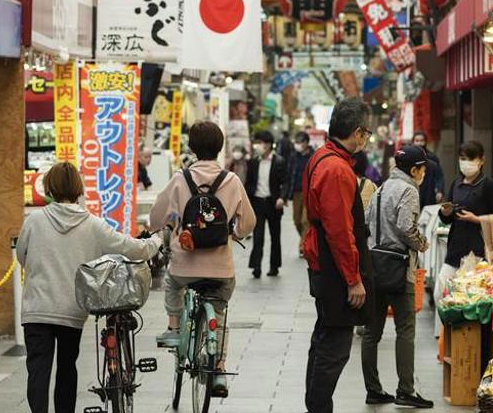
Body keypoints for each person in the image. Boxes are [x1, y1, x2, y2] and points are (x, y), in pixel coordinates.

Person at [16, 162, 160, 413]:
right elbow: (130, 247)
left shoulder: (34, 220)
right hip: (72, 310)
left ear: (49, 187)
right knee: (67, 367)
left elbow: (21, 256)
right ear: (78, 189)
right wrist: (156, 241)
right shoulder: (92, 224)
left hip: (37, 309)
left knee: (37, 370)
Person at [149, 121, 256, 397]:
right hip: (220, 269)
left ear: (192, 148)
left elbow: (156, 218)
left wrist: (163, 227)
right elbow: (249, 223)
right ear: (220, 147)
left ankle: (174, 328)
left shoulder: (179, 179)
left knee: (172, 283)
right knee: (218, 313)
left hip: (184, 266)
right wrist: (234, 232)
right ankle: (218, 368)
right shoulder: (231, 181)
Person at [301, 98, 372, 413]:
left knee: (324, 337)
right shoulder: (336, 168)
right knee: (334, 345)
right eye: (366, 132)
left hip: (323, 258)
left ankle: (316, 405)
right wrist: (353, 278)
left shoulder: (322, 157)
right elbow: (340, 231)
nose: (366, 138)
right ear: (357, 133)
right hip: (332, 265)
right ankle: (318, 407)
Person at [361, 146, 433, 408]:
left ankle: (373, 389)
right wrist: (422, 243)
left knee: (372, 332)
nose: (424, 173)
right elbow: (406, 227)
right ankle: (406, 390)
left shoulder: (380, 189)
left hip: (374, 265)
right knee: (405, 330)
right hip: (399, 269)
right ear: (414, 170)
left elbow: (367, 222)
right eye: (423, 169)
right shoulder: (409, 190)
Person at [435, 141, 493, 332]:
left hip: (477, 251)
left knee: (472, 297)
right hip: (455, 246)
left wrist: (477, 219)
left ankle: (470, 336)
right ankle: (448, 335)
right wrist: (446, 212)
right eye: (462, 159)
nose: (465, 163)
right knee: (441, 292)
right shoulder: (456, 183)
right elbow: (446, 219)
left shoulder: (488, 185)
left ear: (481, 160)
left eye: (470, 159)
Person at [245, 131, 289, 278]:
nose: (259, 146)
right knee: (258, 236)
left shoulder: (279, 161)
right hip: (257, 203)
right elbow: (249, 182)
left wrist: (282, 198)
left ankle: (274, 266)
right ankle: (256, 267)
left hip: (273, 203)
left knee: (275, 236)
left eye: (262, 143)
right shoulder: (253, 162)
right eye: (258, 143)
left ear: (269, 145)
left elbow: (285, 183)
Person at [287, 131, 314, 240]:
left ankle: (303, 246)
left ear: (306, 143)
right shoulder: (293, 156)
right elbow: (289, 174)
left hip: (309, 193)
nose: (297, 145)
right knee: (297, 220)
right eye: (296, 142)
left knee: (305, 221)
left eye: (300, 142)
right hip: (296, 192)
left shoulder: (313, 156)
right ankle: (305, 240)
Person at [412, 131, 445, 206]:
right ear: (413, 142)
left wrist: (439, 190)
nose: (419, 143)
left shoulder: (432, 158)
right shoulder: (410, 158)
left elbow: (439, 176)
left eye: (422, 141)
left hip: (429, 191)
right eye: (417, 141)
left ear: (426, 142)